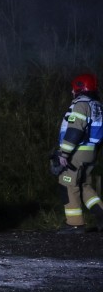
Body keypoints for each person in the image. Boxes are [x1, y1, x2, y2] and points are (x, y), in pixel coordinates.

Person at [51, 72, 102, 232]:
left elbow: (74, 130)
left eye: (74, 89)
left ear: (80, 87)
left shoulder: (80, 104)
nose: (72, 92)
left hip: (76, 153)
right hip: (91, 152)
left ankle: (74, 223)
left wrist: (64, 154)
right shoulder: (97, 106)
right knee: (84, 185)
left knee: (67, 184)